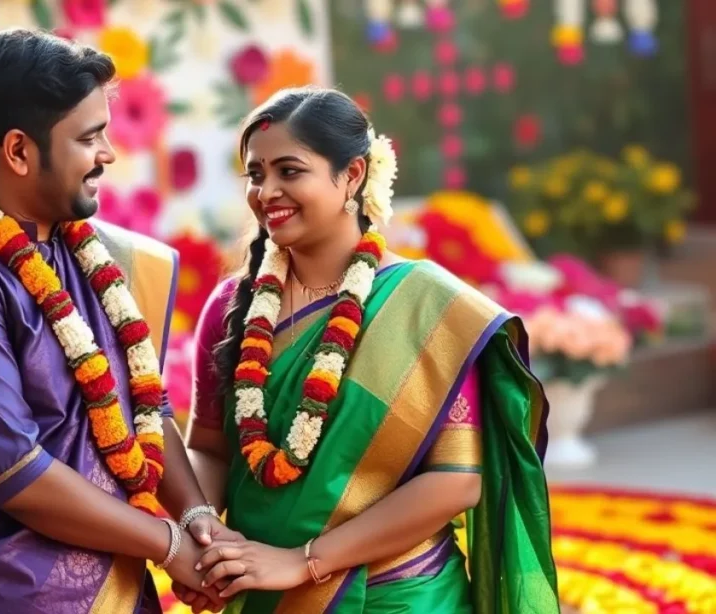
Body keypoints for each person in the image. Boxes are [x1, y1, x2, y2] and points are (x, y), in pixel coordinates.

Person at [0, 29, 239, 613]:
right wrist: (171, 547)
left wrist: (197, 521)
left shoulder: (92, 257)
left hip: (117, 589)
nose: (108, 155)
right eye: (89, 137)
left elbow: (144, 406)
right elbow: (15, 472)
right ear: (18, 150)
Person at [176, 86, 560, 613]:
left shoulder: (426, 308)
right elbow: (210, 447)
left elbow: (455, 482)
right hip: (261, 592)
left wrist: (304, 561)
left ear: (352, 175)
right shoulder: (230, 306)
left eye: (290, 171)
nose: (267, 192)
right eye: (256, 174)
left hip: (398, 596)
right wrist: (199, 538)